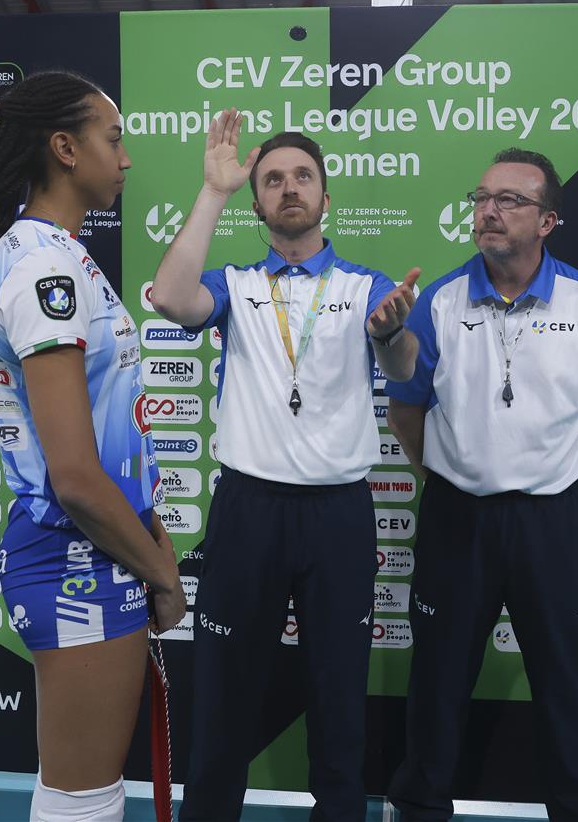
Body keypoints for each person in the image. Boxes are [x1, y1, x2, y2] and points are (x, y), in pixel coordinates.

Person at [150, 111, 420, 822]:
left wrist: (390, 335)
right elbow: (172, 298)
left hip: (338, 516)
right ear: (257, 203)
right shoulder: (235, 284)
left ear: (327, 196)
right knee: (224, 698)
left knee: (339, 700)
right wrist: (213, 190)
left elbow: (404, 367)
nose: (289, 188)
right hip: (249, 511)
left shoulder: (365, 286)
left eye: (303, 176)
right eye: (272, 180)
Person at [384, 148, 578, 821]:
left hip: (554, 523)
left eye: (510, 200)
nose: (489, 211)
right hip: (457, 521)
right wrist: (445, 475)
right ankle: (420, 809)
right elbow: (406, 410)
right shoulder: (441, 301)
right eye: (482, 198)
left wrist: (572, 475)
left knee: (566, 686)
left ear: (548, 220)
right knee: (437, 684)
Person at [0, 70, 184, 822]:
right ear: (65, 148)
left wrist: (148, 534)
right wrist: (163, 573)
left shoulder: (54, 253)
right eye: (112, 140)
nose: (125, 159)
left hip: (97, 549)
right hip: (74, 556)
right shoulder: (45, 266)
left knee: (83, 789)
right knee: (83, 797)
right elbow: (77, 478)